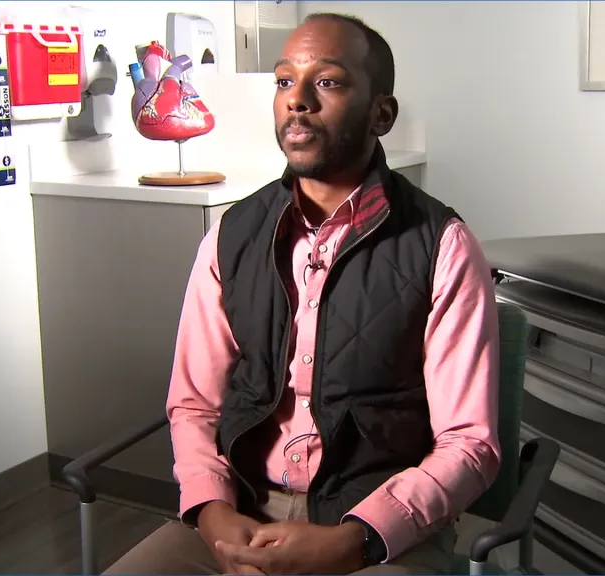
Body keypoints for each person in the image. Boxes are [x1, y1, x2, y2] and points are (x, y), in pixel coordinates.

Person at [105, 12, 501, 576]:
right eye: (285, 80)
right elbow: (194, 402)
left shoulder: (443, 246)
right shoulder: (233, 234)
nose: (298, 100)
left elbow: (469, 444)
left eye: (329, 82)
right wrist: (212, 509)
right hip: (239, 511)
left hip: (375, 529)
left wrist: (355, 539)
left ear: (381, 113)